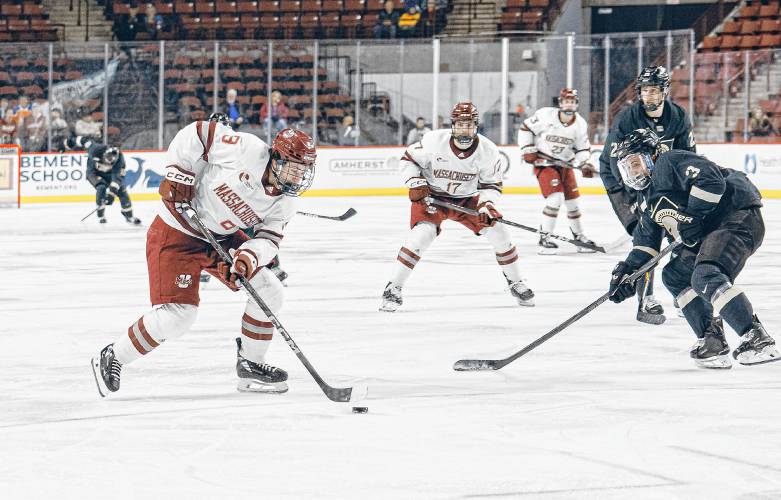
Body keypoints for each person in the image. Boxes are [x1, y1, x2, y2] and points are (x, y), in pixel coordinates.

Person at [90, 123, 317, 396]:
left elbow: (268, 240)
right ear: (276, 157)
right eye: (293, 167)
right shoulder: (246, 149)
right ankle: (113, 355)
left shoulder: (285, 202)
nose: (297, 177)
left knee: (270, 290)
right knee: (179, 317)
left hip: (221, 238)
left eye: (303, 171)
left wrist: (247, 258)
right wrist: (179, 174)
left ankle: (250, 364)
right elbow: (198, 133)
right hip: (177, 230)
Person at [608, 128, 778, 369]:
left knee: (705, 275)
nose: (633, 173)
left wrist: (694, 215)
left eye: (636, 163)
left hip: (736, 216)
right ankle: (712, 340)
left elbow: (711, 179)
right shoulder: (647, 200)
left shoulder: (669, 161)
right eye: (628, 168)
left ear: (652, 155)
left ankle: (757, 338)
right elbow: (646, 246)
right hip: (712, 231)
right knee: (675, 275)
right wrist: (627, 273)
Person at [379, 101, 534, 312]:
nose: (464, 129)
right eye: (460, 124)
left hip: (467, 200)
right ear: (453, 125)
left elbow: (491, 185)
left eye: (469, 124)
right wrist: (415, 183)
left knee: (500, 233)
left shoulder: (488, 151)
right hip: (432, 197)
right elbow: (408, 160)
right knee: (421, 236)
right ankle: (393, 288)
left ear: (476, 126)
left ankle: (516, 282)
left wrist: (486, 206)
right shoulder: (434, 141)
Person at [599, 65, 696, 323]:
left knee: (683, 238)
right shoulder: (628, 118)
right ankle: (647, 298)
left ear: (664, 91)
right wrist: (632, 195)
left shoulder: (678, 116)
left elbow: (689, 156)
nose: (649, 96)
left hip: (671, 187)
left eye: (654, 91)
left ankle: (682, 290)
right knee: (647, 241)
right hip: (636, 186)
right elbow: (612, 161)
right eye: (644, 91)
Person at [517, 88, 598, 254]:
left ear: (576, 104)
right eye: (566, 101)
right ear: (560, 103)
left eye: (572, 101)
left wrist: (584, 163)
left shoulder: (580, 124)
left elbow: (582, 148)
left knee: (573, 203)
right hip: (545, 164)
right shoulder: (546, 115)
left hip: (565, 165)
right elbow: (525, 128)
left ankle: (579, 237)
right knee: (555, 199)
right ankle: (545, 237)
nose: (569, 104)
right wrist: (527, 148)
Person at [86, 143, 142, 225]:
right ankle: (101, 215)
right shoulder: (95, 148)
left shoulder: (120, 159)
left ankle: (129, 216)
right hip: (94, 173)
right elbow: (83, 141)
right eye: (107, 158)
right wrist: (67, 143)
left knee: (122, 190)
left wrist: (112, 193)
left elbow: (118, 177)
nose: (109, 162)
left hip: (110, 174)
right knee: (101, 188)